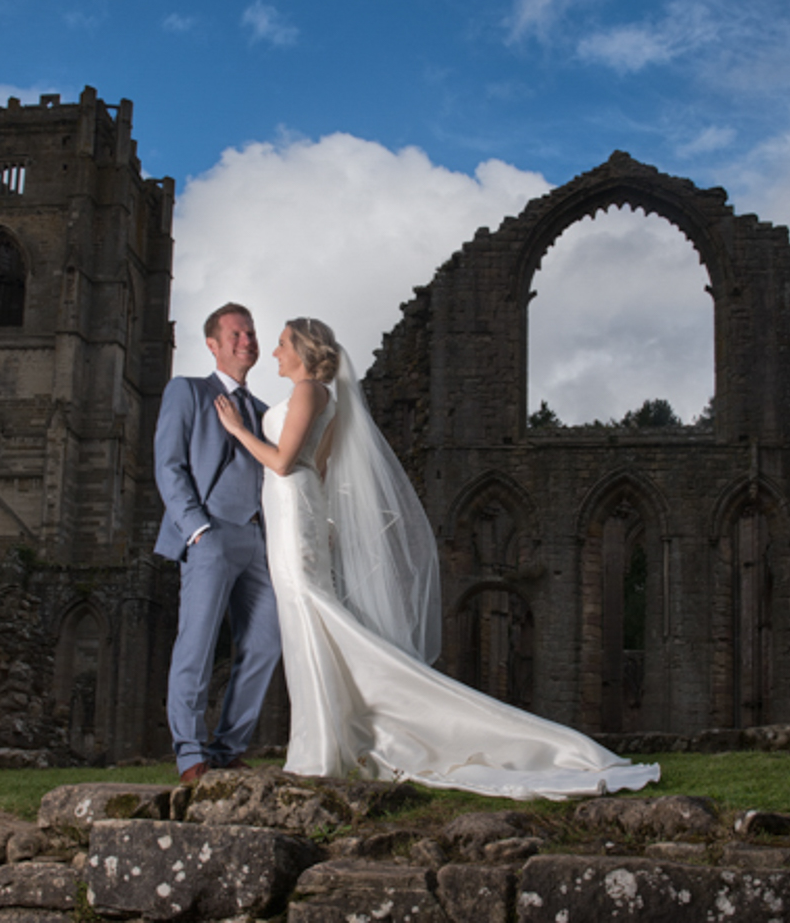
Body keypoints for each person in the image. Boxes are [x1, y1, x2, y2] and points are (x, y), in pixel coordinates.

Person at [215, 317, 659, 800]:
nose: (274, 352)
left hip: (292, 508)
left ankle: (321, 746)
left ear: (302, 349)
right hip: (295, 510)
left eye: (281, 344)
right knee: (308, 621)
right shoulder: (324, 397)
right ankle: (323, 741)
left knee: (311, 616)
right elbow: (317, 468)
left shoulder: (308, 392)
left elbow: (282, 463)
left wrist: (238, 430)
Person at [153, 303, 280, 785]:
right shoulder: (187, 391)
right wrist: (196, 528)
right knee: (198, 643)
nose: (246, 340)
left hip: (256, 538)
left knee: (266, 643)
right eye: (235, 333)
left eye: (251, 332)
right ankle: (190, 754)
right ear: (212, 343)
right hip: (209, 534)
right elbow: (169, 465)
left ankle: (228, 748)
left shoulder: (265, 413)